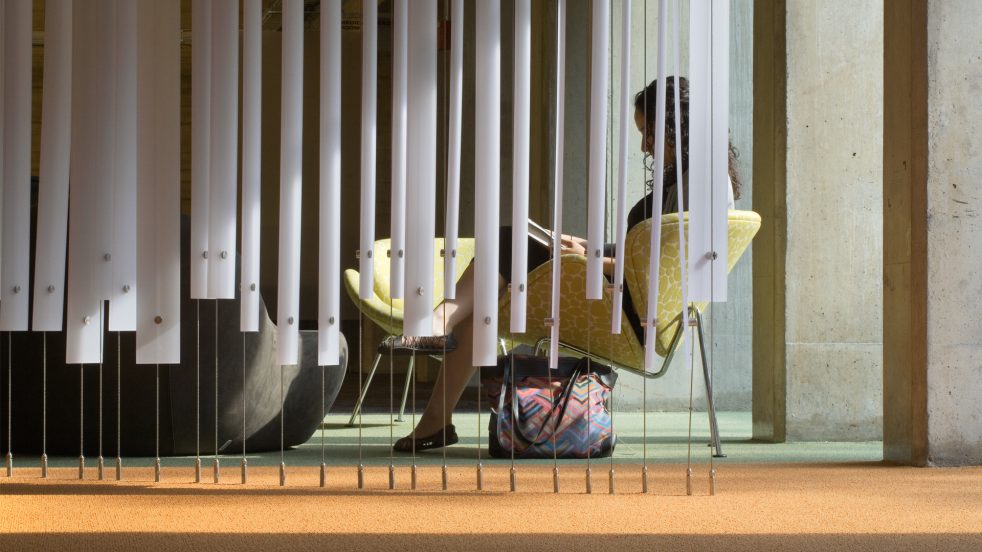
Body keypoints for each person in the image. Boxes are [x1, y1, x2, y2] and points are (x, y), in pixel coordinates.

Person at [382, 76, 741, 452]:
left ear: (675, 125)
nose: (644, 146)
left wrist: (585, 258)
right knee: (493, 287)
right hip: (627, 296)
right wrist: (583, 246)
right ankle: (436, 416)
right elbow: (644, 253)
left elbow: (656, 270)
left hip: (633, 313)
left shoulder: (703, 183)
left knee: (509, 239)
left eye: (648, 133)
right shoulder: (690, 179)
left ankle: (437, 325)